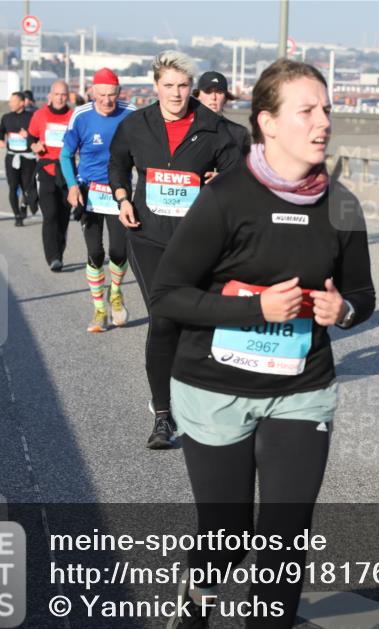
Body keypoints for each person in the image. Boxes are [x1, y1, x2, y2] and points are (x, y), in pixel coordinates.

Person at [150, 57, 375, 629]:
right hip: (214, 388)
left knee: (285, 536)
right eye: (307, 111)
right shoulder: (225, 199)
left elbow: (363, 295)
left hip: (301, 388)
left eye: (326, 109)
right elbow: (166, 294)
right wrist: (256, 310)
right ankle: (198, 597)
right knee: (227, 537)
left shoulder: (342, 205)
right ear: (268, 123)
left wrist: (343, 310)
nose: (323, 121)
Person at [109, 50, 242, 449]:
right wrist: (122, 197)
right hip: (147, 236)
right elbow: (117, 163)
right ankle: (163, 415)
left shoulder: (213, 127)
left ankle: (197, 394)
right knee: (164, 318)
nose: (176, 93)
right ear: (156, 86)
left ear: (192, 88)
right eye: (168, 85)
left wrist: (222, 181)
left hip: (196, 240)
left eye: (183, 86)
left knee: (196, 323)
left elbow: (239, 171)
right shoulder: (136, 124)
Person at [59, 68, 137, 333]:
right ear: (92, 92)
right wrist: (72, 186)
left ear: (119, 92)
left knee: (119, 251)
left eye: (112, 95)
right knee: (95, 253)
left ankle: (115, 293)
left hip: (119, 193)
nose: (106, 100)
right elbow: (65, 155)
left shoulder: (131, 113)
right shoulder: (80, 116)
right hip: (89, 191)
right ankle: (99, 309)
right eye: (101, 95)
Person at [29, 80, 73, 271]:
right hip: (46, 169)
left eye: (63, 95)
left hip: (67, 171)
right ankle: (53, 257)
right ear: (50, 96)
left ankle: (59, 253)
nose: (60, 98)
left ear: (68, 96)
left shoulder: (74, 116)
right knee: (50, 214)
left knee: (63, 216)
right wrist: (34, 145)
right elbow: (31, 136)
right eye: (56, 94)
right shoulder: (40, 115)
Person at [0, 91, 38, 227]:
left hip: (28, 158)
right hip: (12, 157)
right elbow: (1, 131)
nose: (10, 104)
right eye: (10, 101)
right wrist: (0, 140)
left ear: (22, 103)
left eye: (13, 101)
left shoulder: (32, 117)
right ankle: (17, 215)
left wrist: (28, 135)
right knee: (13, 187)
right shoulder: (6, 117)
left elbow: (38, 135)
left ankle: (24, 204)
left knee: (27, 187)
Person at [193, 70, 251, 154]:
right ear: (198, 95)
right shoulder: (186, 128)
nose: (213, 97)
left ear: (225, 97)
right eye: (208, 92)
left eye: (219, 92)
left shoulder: (239, 133)